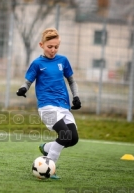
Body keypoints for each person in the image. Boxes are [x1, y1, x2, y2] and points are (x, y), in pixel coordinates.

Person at [16, 28, 81, 179]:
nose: (53, 50)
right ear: (41, 45)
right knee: (64, 135)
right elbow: (28, 80)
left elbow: (71, 81)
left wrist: (76, 97)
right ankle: (49, 167)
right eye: (49, 47)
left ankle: (46, 148)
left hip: (63, 106)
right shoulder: (37, 63)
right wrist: (23, 89)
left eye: (56, 47)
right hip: (47, 106)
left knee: (73, 139)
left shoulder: (63, 61)